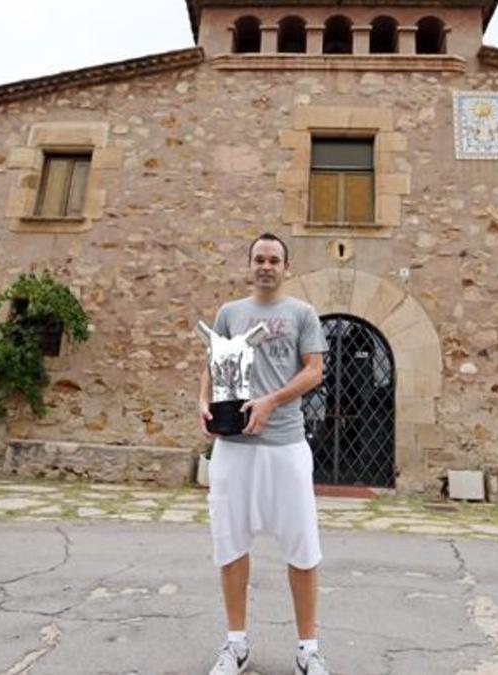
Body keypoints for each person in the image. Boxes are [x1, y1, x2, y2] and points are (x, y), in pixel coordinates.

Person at [199, 232, 331, 675]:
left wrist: (271, 401)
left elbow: (314, 371)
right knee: (231, 543)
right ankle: (236, 644)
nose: (266, 265)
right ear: (249, 265)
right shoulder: (229, 313)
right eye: (259, 258)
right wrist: (202, 403)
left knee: (302, 547)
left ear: (286, 267)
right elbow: (212, 365)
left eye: (274, 259)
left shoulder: (302, 314)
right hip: (233, 448)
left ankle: (308, 648)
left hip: (286, 445)